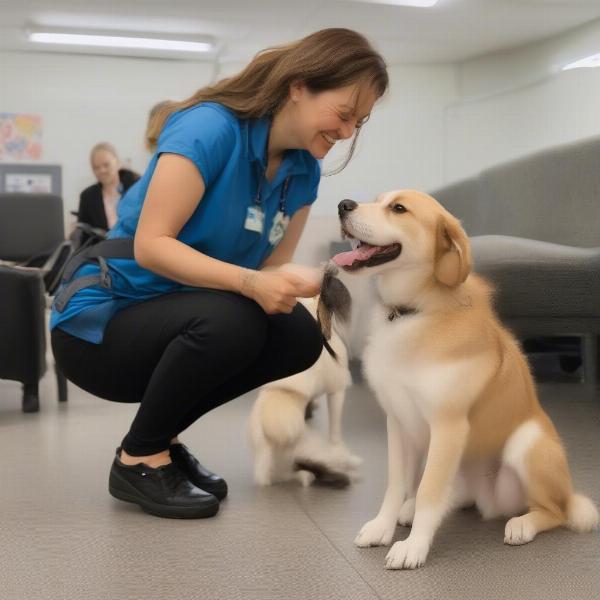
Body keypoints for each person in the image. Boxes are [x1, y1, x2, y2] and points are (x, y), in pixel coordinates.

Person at [50, 28, 388, 519]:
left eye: (360, 122)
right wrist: (253, 283)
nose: (348, 132)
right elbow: (151, 245)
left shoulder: (303, 174)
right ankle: (140, 457)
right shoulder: (209, 128)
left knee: (296, 333)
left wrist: (311, 277)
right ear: (298, 85)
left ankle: (158, 440)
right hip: (100, 323)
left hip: (176, 317)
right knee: (233, 319)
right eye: (343, 113)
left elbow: (271, 267)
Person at [77, 143, 140, 232]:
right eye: (96, 168)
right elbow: (83, 234)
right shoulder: (87, 197)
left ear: (118, 163)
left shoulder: (136, 188)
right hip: (102, 245)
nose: (102, 171)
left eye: (106, 165)